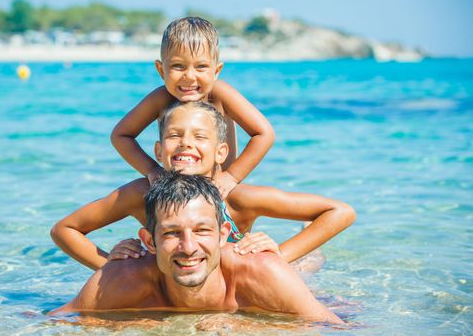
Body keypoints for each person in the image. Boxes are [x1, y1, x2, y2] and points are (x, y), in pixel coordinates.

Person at [51, 101, 355, 270]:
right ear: (158, 151)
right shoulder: (142, 194)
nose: (185, 143)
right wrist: (108, 264)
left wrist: (281, 256)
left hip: (239, 274)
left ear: (220, 153)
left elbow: (339, 212)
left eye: (199, 137)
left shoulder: (236, 199)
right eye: (175, 135)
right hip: (189, 278)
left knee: (305, 269)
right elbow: (64, 229)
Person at [50, 171, 343, 325]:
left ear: (223, 234)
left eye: (202, 230)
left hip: (257, 271)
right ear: (149, 241)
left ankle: (306, 257)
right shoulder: (121, 279)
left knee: (302, 271)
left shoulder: (262, 273)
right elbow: (55, 322)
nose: (188, 247)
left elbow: (336, 327)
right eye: (172, 233)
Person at [110, 16, 275, 198]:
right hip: (177, 190)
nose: (189, 76)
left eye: (201, 66)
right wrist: (152, 170)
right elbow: (121, 135)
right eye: (178, 66)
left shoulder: (220, 94)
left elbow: (264, 133)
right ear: (161, 70)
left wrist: (231, 176)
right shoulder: (161, 99)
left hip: (219, 189)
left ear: (216, 71)